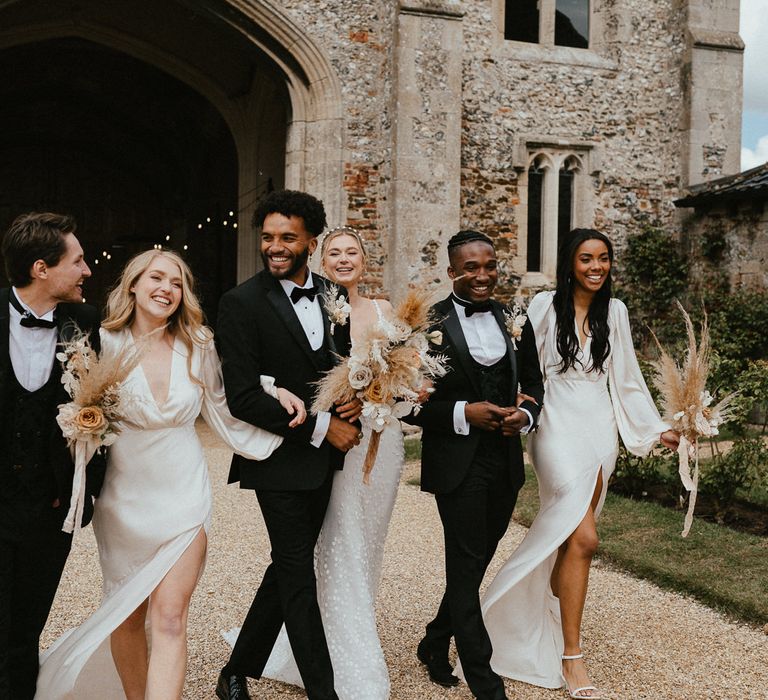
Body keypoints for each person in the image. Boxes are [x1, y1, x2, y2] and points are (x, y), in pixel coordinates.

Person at [34, 249, 303, 700]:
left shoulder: (197, 343)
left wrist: (273, 392)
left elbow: (223, 400)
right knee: (127, 616)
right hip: (123, 501)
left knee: (171, 616)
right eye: (156, 278)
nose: (167, 289)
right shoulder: (101, 342)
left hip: (184, 494)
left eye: (177, 283)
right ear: (133, 285)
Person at [478, 229, 679, 699]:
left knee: (571, 540)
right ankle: (572, 656)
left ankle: (546, 613)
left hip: (598, 427)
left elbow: (626, 379)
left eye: (603, 258)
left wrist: (654, 429)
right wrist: (519, 404)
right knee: (584, 537)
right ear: (570, 263)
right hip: (555, 424)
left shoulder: (617, 311)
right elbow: (524, 367)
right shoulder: (544, 306)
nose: (596, 267)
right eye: (586, 258)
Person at [215, 191, 361, 700]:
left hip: (325, 461)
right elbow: (243, 398)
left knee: (288, 565)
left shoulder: (331, 294)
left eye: (287, 238)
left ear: (310, 242)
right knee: (299, 574)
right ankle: (325, 690)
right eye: (269, 237)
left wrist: (355, 403)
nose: (275, 247)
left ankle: (237, 667)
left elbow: (341, 368)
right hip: (274, 457)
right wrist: (324, 428)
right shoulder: (239, 303)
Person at [261, 226, 406, 699]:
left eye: (353, 253)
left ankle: (326, 636)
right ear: (322, 261)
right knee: (339, 541)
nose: (344, 260)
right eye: (335, 253)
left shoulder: (385, 311)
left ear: (365, 260)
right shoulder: (316, 309)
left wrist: (395, 394)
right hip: (335, 441)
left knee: (369, 542)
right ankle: (347, 659)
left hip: (382, 444)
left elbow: (409, 375)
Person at [404, 230, 545, 700]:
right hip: (457, 463)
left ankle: (433, 638)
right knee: (464, 563)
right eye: (470, 268)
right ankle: (485, 682)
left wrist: (524, 416)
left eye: (489, 266)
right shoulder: (426, 323)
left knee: (478, 560)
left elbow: (534, 385)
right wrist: (465, 412)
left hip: (503, 461)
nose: (482, 276)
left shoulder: (514, 319)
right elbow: (408, 404)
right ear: (451, 272)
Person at [0, 212, 102, 700]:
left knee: (24, 633)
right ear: (42, 268)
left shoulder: (87, 326)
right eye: (78, 261)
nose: (86, 271)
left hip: (50, 510)